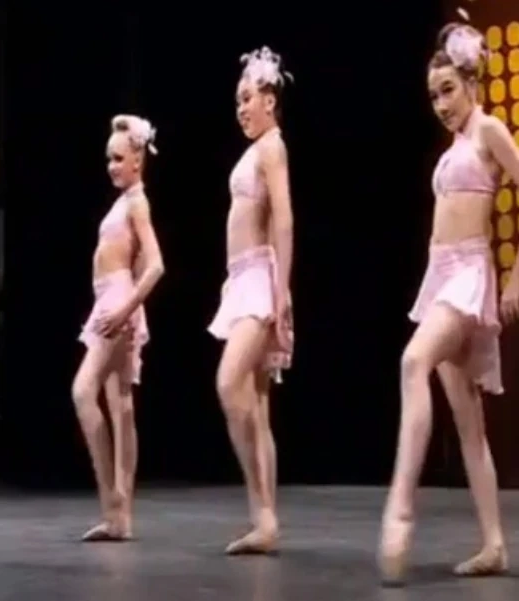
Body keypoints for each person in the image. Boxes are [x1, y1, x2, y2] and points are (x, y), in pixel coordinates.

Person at [378, 18, 519, 585]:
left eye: (448, 90)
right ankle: (494, 544)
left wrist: (516, 278)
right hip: (443, 274)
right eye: (434, 96)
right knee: (469, 424)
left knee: (412, 360)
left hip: (469, 276)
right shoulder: (457, 145)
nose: (441, 104)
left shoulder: (488, 130)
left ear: (472, 83)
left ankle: (401, 507)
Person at [208, 45, 294, 555]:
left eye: (247, 98)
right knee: (257, 408)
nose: (241, 108)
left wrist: (281, 295)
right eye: (237, 101)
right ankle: (265, 520)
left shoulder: (271, 147)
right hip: (241, 279)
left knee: (229, 382)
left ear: (269, 100)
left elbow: (284, 218)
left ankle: (263, 515)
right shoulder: (258, 149)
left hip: (260, 279)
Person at [73, 114, 165, 541]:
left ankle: (112, 502)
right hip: (111, 300)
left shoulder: (136, 202)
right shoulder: (127, 200)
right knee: (121, 405)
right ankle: (119, 516)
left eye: (119, 158)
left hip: (117, 302)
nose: (111, 166)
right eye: (109, 158)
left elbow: (156, 266)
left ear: (137, 160)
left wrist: (126, 309)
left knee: (82, 391)